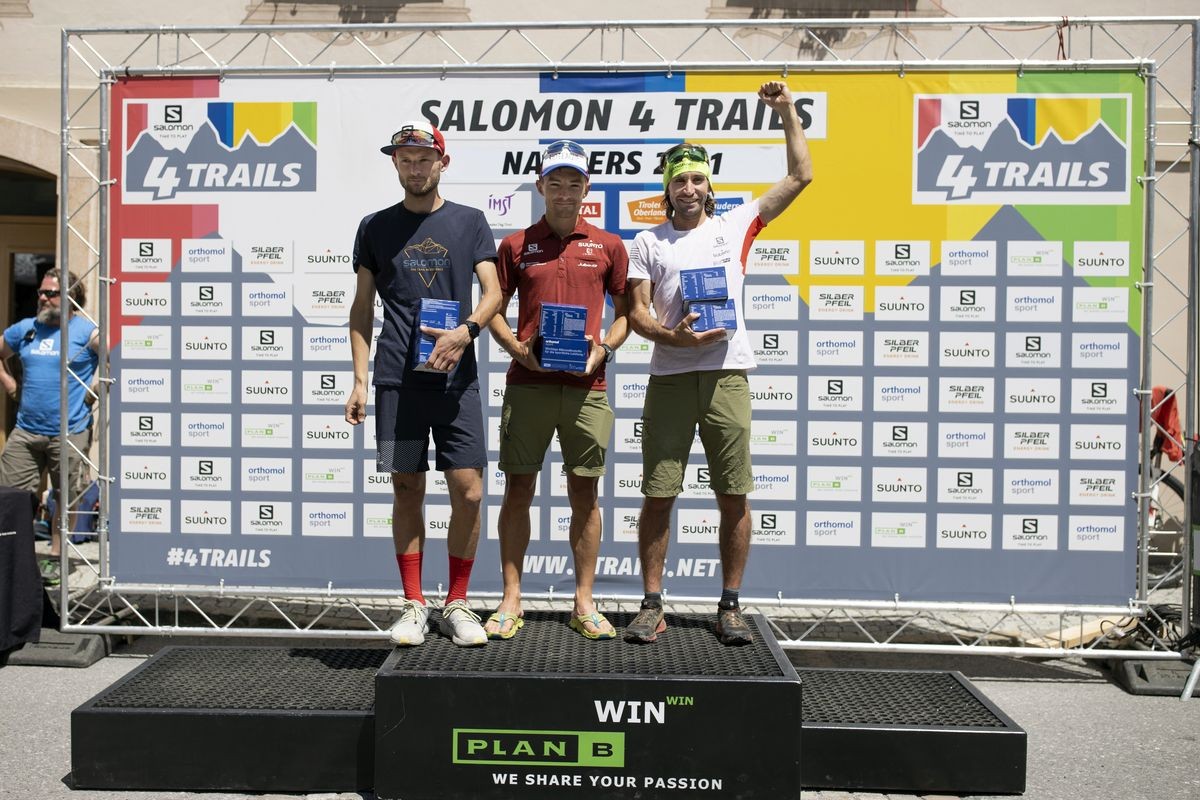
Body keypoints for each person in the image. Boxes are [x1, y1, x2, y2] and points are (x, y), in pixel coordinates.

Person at [623, 81, 813, 645]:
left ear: (710, 186)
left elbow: (801, 176)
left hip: (728, 374)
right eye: (679, 180)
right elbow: (636, 314)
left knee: (733, 492)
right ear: (667, 188)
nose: (689, 188)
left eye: (697, 179)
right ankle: (651, 604)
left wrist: (787, 112)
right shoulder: (646, 242)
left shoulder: (736, 225)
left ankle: (730, 605)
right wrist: (673, 337)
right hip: (670, 377)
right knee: (659, 493)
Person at [345, 120, 502, 647]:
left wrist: (466, 331)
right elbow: (362, 307)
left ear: (442, 163)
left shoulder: (470, 221)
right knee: (407, 487)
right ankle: (414, 604)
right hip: (396, 382)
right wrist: (360, 380)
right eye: (405, 159)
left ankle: (457, 602)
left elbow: (493, 293)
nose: (415, 168)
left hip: (457, 381)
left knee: (470, 491)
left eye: (424, 159)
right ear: (396, 164)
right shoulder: (374, 227)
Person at [484, 141, 630, 641]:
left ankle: (583, 602)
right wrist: (517, 348)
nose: (564, 192)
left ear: (586, 188)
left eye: (573, 183)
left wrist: (603, 350)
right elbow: (492, 308)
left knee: (585, 495)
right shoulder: (515, 244)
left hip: (588, 386)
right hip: (528, 384)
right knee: (518, 491)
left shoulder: (609, 245)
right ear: (540, 186)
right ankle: (511, 598)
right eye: (555, 182)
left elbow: (626, 315)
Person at [0, 269, 100, 586]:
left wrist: (94, 391)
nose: (43, 298)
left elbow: (117, 358)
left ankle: (57, 559)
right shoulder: (26, 329)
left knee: (65, 498)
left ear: (72, 297)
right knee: (11, 497)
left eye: (51, 293)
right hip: (26, 431)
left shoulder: (86, 331)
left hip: (70, 431)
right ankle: (14, 559)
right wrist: (9, 384)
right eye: (41, 292)